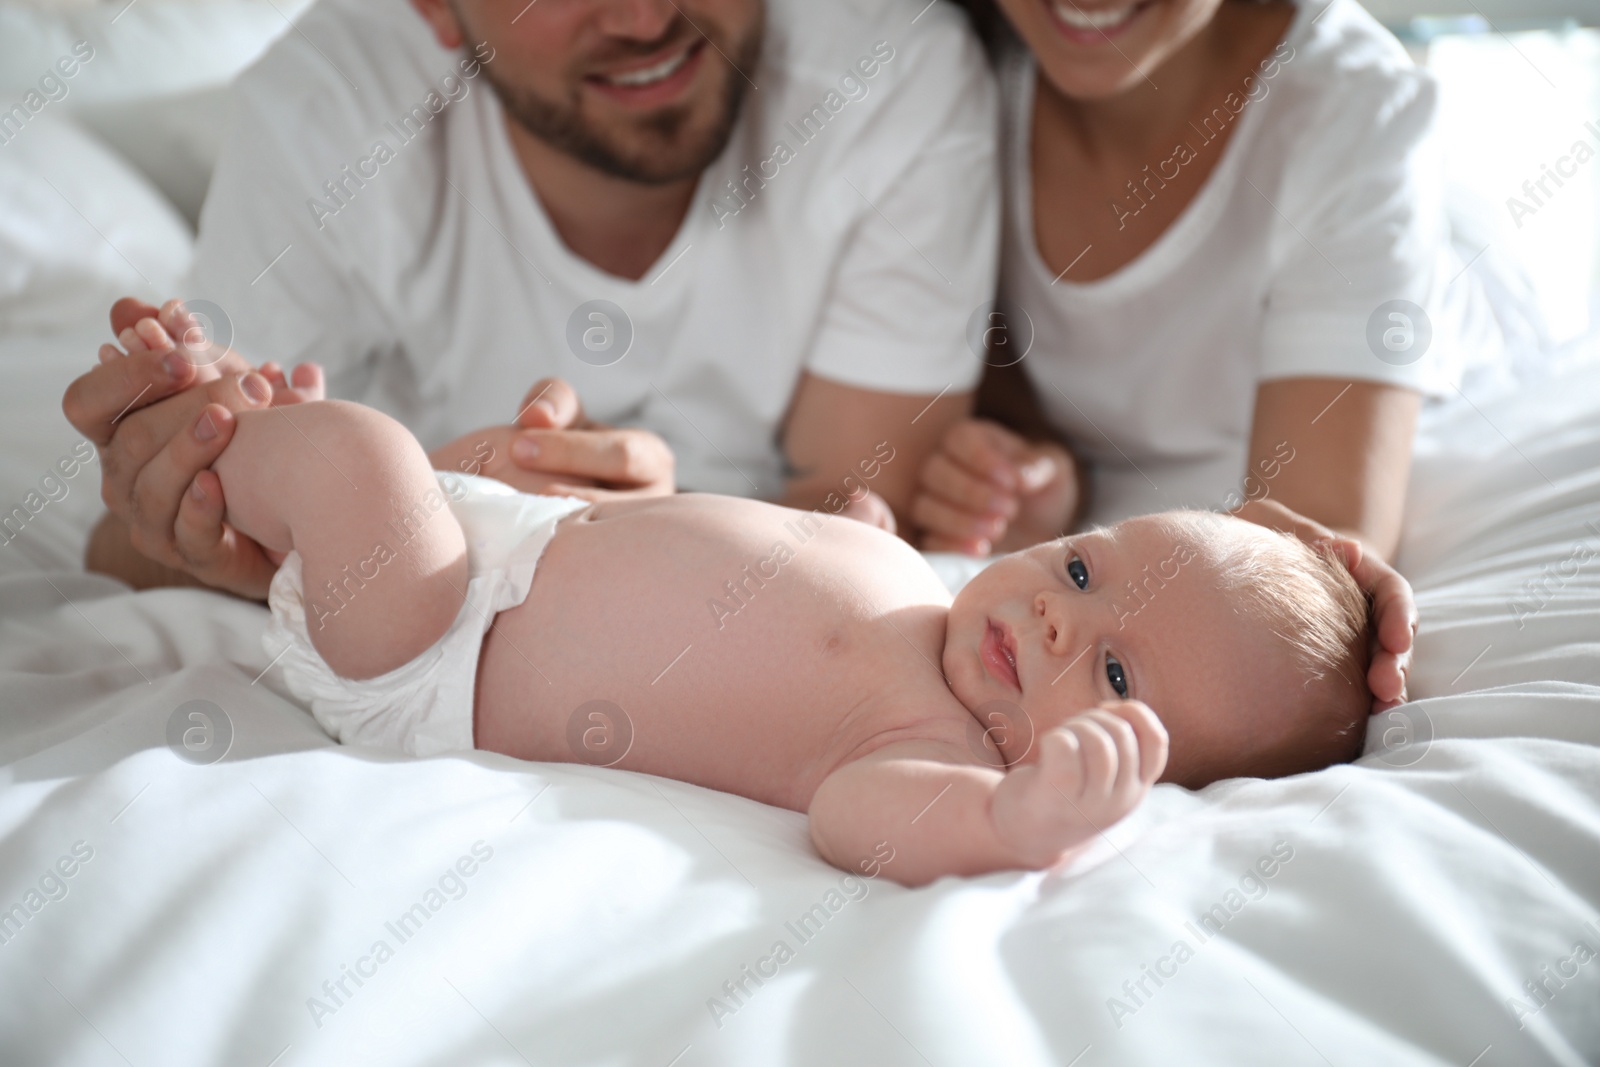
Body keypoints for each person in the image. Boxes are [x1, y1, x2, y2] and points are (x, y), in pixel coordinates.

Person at [115, 307, 1374, 887]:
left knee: (359, 459)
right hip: (506, 539)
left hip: (428, 651)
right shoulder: (934, 598)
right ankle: (220, 423)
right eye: (1086, 569)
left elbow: (862, 822)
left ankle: (213, 407)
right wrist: (854, 534)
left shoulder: (931, 746)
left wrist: (1016, 822)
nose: (1057, 613)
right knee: (451, 458)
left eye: (1110, 673)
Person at [61, 0, 999, 600]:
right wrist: (417, 500)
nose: (643, 18)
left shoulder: (891, 73)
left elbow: (862, 511)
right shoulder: (329, 110)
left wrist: (642, 541)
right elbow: (131, 544)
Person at [910, 0, 1437, 707]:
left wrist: (1322, 562)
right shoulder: (955, 70)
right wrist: (1047, 484)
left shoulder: (1348, 106)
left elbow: (1317, 537)